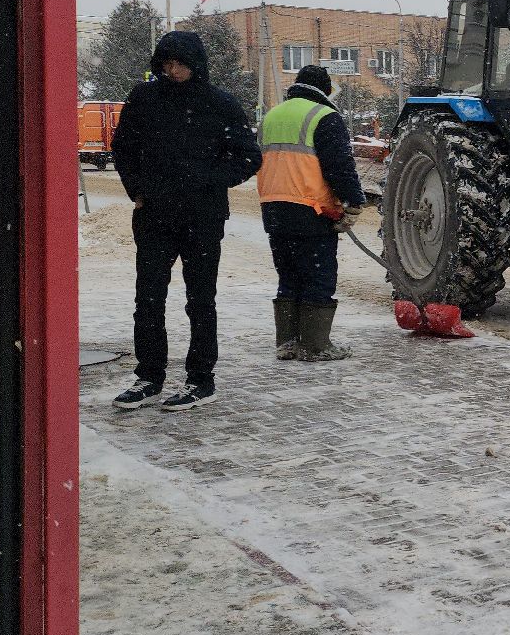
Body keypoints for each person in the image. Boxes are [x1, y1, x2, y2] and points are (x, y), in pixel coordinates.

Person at [110, 31, 262, 412]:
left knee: (200, 300)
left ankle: (201, 379)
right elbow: (123, 147)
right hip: (154, 215)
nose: (173, 70)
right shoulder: (144, 99)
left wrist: (208, 180)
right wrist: (137, 189)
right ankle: (149, 375)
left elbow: (248, 157)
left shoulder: (219, 104)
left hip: (202, 217)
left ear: (196, 64)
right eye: (167, 62)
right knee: (148, 299)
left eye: (180, 63)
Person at [257, 64, 366, 362]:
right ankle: (315, 346)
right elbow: (339, 164)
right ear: (327, 90)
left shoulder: (271, 116)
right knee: (318, 275)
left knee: (289, 274)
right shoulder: (324, 117)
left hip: (274, 209)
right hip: (310, 209)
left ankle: (288, 343)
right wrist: (353, 200)